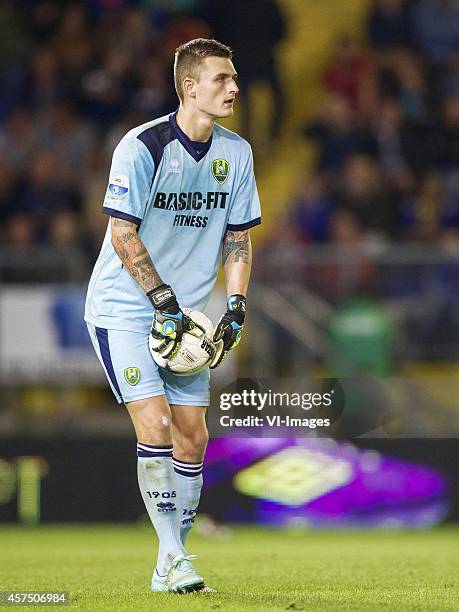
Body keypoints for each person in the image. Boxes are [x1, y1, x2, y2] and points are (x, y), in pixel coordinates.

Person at [84, 38, 261, 593]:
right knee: (156, 427)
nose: (234, 88)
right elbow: (121, 231)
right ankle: (175, 558)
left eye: (233, 79)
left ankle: (169, 564)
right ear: (189, 85)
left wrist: (234, 305)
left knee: (193, 438)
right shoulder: (142, 146)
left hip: (187, 317)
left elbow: (237, 237)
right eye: (222, 79)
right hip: (127, 308)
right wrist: (162, 301)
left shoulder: (238, 153)